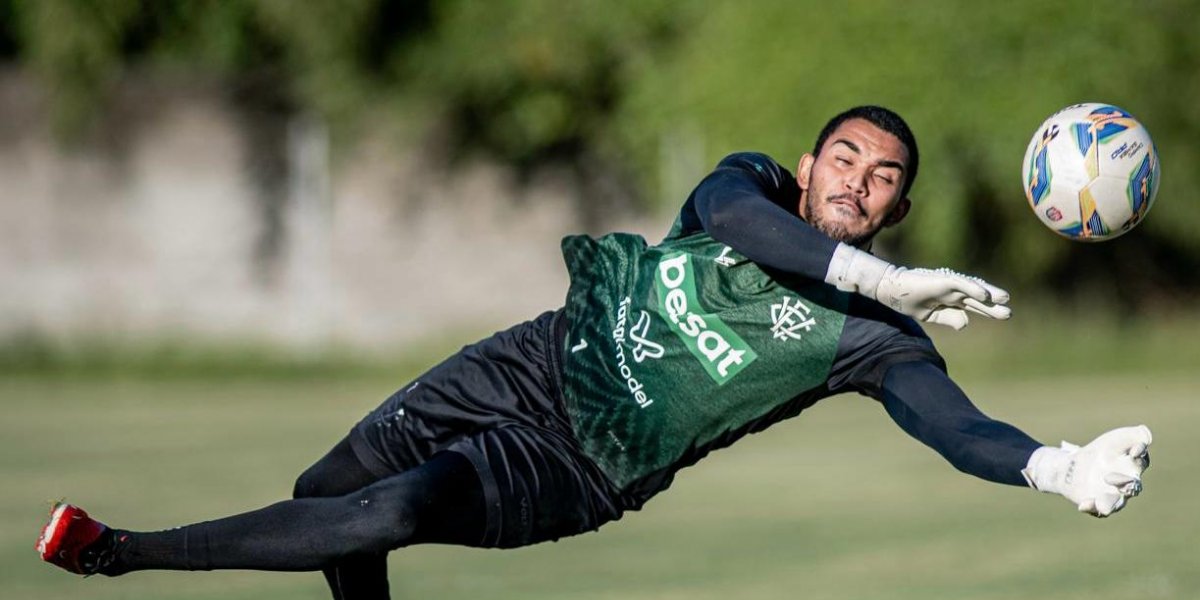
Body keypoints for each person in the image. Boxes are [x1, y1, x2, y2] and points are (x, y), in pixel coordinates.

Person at [37, 105, 1152, 599]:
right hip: (523, 361)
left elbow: (954, 428)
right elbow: (737, 221)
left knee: (391, 510)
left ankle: (119, 555)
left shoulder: (873, 339)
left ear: (896, 207)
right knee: (326, 494)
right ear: (809, 164)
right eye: (846, 160)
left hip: (579, 460)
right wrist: (877, 274)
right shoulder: (749, 185)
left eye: (884, 179)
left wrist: (1056, 467)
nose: (857, 182)